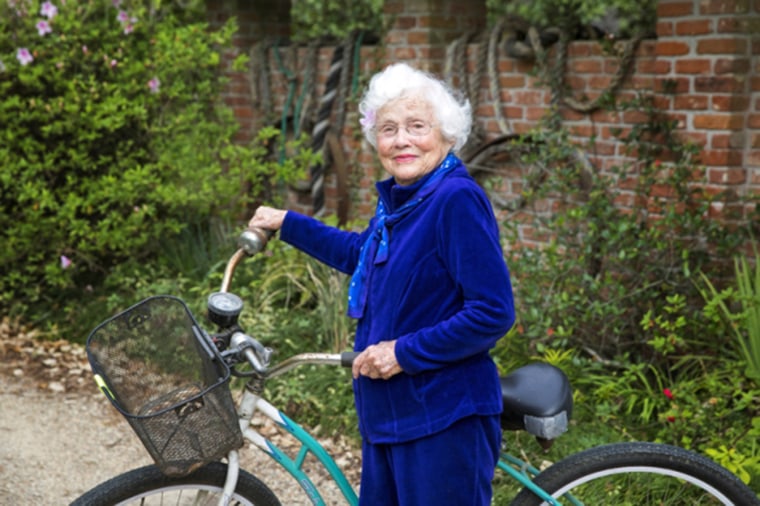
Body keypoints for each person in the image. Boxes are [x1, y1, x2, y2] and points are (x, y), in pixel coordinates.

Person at [249, 62, 515, 506]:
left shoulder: (454, 199)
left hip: (442, 417)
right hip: (391, 415)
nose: (402, 140)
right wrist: (287, 223)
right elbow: (366, 256)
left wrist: (402, 352)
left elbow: (492, 312)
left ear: (446, 134)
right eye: (388, 129)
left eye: (416, 126)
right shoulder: (402, 199)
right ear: (376, 141)